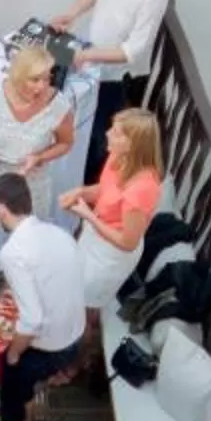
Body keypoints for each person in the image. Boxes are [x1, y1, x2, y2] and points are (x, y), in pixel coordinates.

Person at [48, 0, 170, 184]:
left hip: (118, 74)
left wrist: (87, 55)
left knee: (99, 135)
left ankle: (85, 188)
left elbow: (133, 49)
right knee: (74, 118)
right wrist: (72, 13)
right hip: (91, 54)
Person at [0, 43, 73, 283]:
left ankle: (15, 288)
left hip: (30, 181)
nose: (42, 86)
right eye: (34, 79)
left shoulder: (59, 105)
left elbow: (65, 143)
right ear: (18, 76)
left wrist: (39, 157)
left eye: (46, 78)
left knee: (25, 241)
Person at [0, 173, 87, 421]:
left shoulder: (12, 252)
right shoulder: (59, 232)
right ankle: (31, 403)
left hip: (49, 347)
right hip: (75, 335)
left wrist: (13, 354)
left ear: (0, 209)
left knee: (10, 371)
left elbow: (32, 320)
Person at [61, 108, 163, 320]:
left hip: (111, 254)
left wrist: (87, 216)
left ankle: (77, 348)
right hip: (96, 233)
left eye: (116, 133)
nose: (107, 133)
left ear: (132, 144)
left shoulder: (142, 188)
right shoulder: (118, 157)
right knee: (72, 296)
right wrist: (80, 192)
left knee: (85, 308)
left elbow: (127, 242)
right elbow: (104, 189)